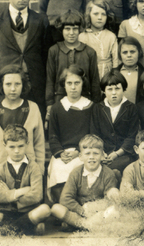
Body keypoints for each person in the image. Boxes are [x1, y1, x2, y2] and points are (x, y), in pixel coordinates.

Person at [0, 65, 45, 198]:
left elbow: (39, 144)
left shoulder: (32, 108)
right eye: (8, 84)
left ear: (23, 85)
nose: (13, 89)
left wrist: (40, 172)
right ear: (1, 85)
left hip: (27, 176)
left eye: (17, 84)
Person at [0, 125, 51, 236]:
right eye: (12, 147)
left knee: (45, 209)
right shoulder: (0, 169)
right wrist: (19, 192)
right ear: (5, 146)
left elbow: (37, 195)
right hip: (4, 212)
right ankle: (26, 228)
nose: (16, 151)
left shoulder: (33, 168)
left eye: (20, 146)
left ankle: (7, 229)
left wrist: (8, 194)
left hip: (27, 211)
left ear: (27, 144)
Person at [50, 134, 120, 230]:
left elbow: (108, 201)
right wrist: (82, 211)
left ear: (102, 156)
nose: (91, 157)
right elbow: (65, 199)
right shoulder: (76, 173)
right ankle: (87, 225)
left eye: (96, 153)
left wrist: (94, 210)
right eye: (87, 154)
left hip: (99, 213)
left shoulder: (108, 174)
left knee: (113, 211)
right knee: (56, 209)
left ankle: (81, 226)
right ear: (80, 156)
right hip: (80, 212)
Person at [47, 65, 95, 202]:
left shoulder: (90, 107)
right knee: (58, 168)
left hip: (84, 152)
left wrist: (79, 151)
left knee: (81, 169)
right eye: (69, 83)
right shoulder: (57, 108)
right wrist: (60, 153)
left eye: (77, 83)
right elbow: (53, 136)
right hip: (63, 153)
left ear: (82, 84)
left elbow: (92, 134)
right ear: (64, 85)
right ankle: (62, 208)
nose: (73, 87)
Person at [46, 10, 101, 109]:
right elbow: (50, 79)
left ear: (80, 30)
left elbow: (95, 82)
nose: (71, 33)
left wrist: (96, 105)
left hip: (84, 101)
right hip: (60, 100)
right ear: (61, 30)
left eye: (75, 29)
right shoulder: (54, 50)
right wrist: (49, 103)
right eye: (67, 29)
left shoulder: (89, 52)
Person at [90, 70, 140, 173]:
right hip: (102, 153)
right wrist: (101, 152)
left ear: (123, 89)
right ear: (103, 91)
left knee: (111, 169)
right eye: (109, 89)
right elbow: (94, 134)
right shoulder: (98, 108)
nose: (113, 93)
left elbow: (132, 137)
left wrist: (117, 153)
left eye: (117, 89)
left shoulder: (131, 108)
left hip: (124, 154)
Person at [79, 0, 119, 78]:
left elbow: (115, 60)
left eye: (103, 14)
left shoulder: (111, 36)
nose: (100, 17)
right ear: (89, 15)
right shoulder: (82, 36)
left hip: (108, 74)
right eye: (96, 14)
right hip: (89, 73)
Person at [117, 37, 144, 104]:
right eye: (125, 52)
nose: (129, 55)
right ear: (120, 54)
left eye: (132, 52)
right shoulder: (115, 73)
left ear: (139, 52)